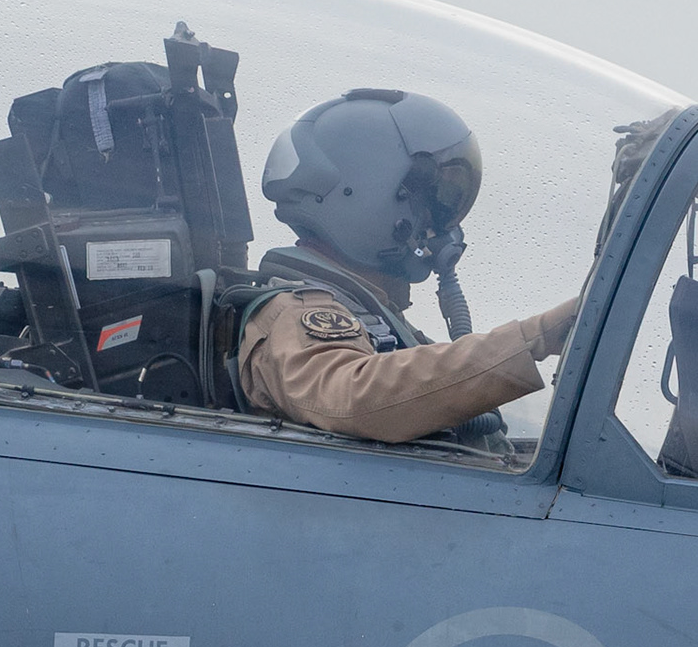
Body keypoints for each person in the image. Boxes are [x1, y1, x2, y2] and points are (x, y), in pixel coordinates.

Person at [238, 89, 579, 444]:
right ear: (367, 195)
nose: (441, 228)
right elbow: (353, 398)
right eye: (431, 207)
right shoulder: (295, 312)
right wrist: (537, 336)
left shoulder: (373, 317)